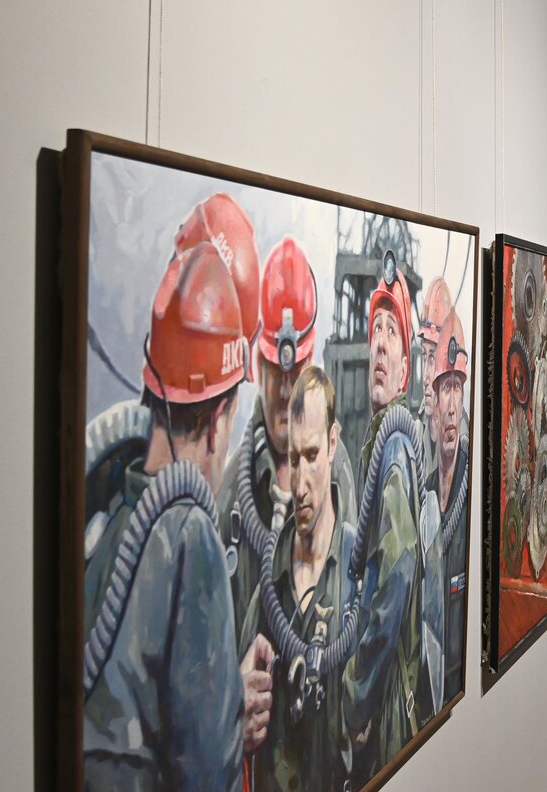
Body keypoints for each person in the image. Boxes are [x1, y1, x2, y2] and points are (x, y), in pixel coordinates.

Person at [82, 244, 269, 791]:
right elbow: (207, 774)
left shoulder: (114, 519)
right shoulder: (190, 537)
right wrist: (235, 730)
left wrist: (223, 695)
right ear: (216, 423)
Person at [217, 236, 356, 643]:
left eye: (294, 375)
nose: (283, 391)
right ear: (257, 365)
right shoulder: (234, 490)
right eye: (275, 372)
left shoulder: (338, 470)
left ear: (310, 364)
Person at [239, 365, 357, 790]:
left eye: (311, 456)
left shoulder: (357, 572)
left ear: (332, 443)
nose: (300, 485)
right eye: (293, 460)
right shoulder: (269, 587)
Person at [343, 252, 425, 784]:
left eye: (392, 333)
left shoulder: (394, 449)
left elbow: (394, 581)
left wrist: (356, 699)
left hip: (388, 710)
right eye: (375, 328)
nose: (378, 343)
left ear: (404, 368)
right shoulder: (381, 445)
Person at [418, 308, 471, 712]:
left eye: (458, 388)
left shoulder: (472, 486)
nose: (452, 406)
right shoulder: (424, 500)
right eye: (445, 389)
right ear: (433, 404)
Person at [418, 276, 454, 476]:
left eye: (432, 357)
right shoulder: (416, 429)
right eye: (424, 356)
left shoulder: (459, 433)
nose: (425, 377)